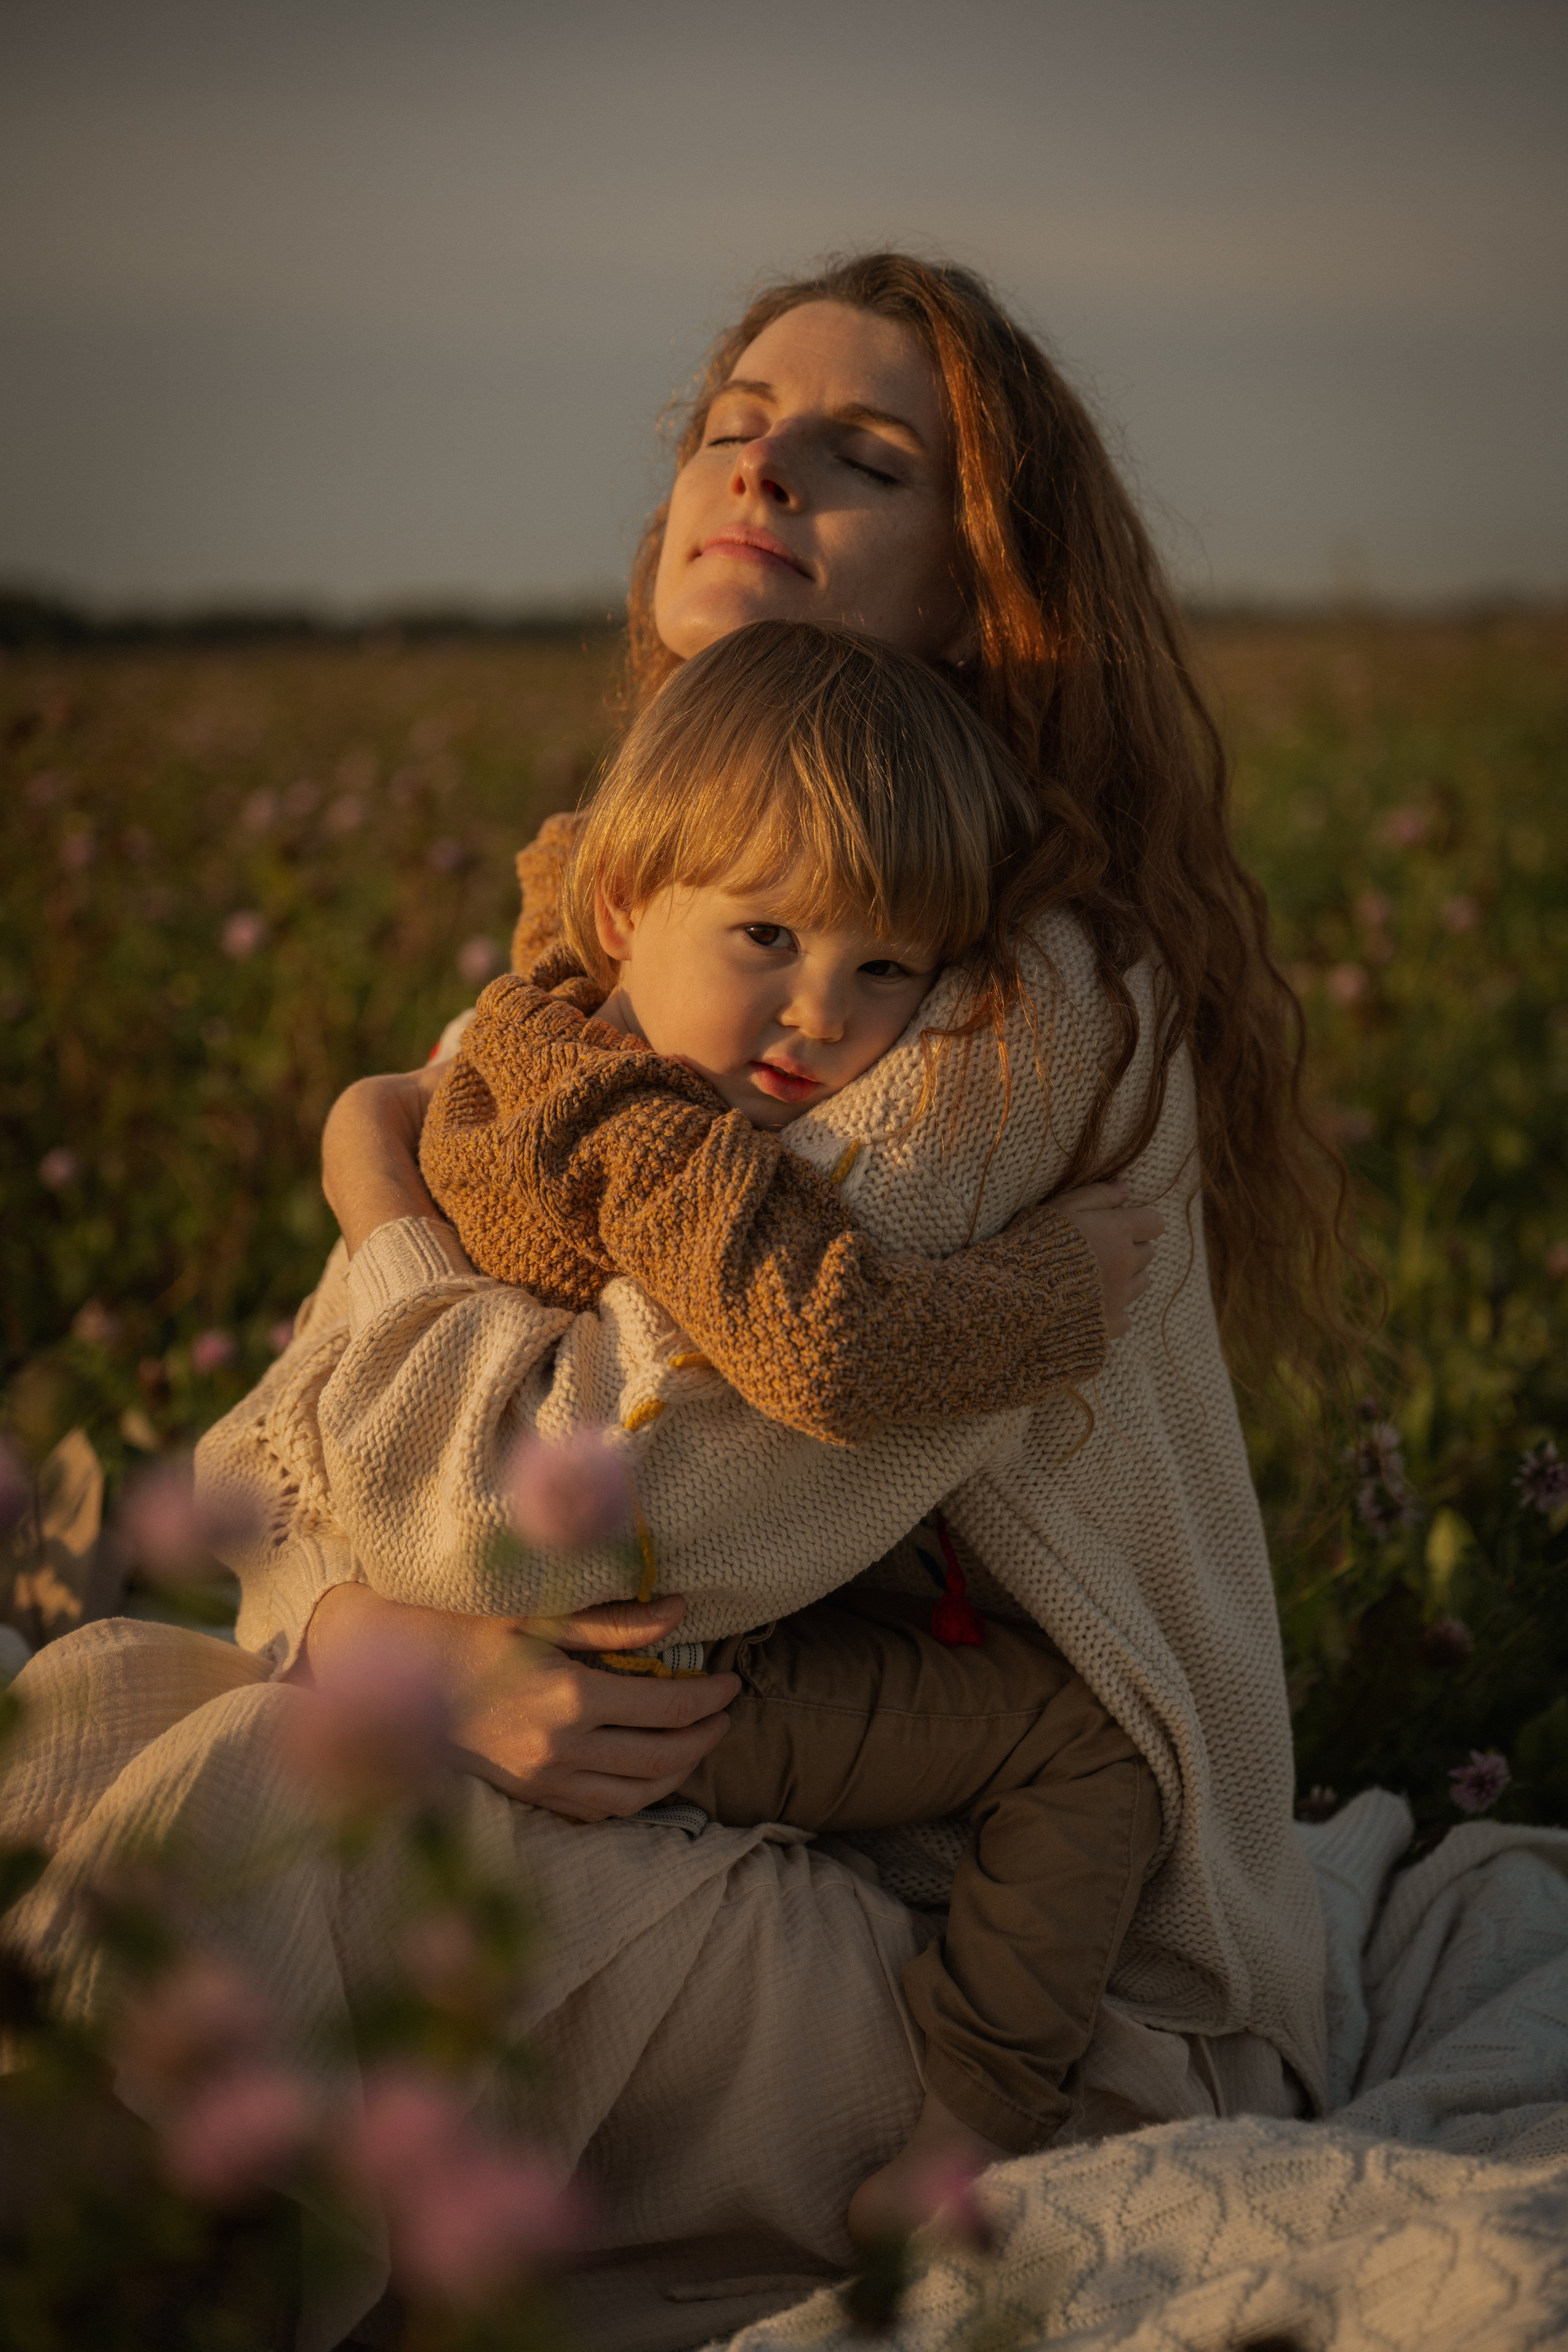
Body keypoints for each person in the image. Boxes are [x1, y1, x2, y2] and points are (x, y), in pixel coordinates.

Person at [6, 254, 1348, 2331]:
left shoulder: (991, 1005)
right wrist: (398, 1649)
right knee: (86, 1706)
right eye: (736, 419)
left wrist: (385, 1208)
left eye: (865, 455)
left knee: (245, 1822)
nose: (763, 466)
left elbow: (601, 1517)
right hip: (733, 1795)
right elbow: (280, 1479)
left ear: (990, 588)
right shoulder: (617, 944)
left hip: (1006, 1954)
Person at [418, 617, 1167, 2231]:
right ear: (627, 912)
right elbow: (825, 1351)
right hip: (663, 1662)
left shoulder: (529, 1032)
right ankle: (969, 2127)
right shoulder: (662, 1141)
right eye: (767, 934)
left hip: (579, 1610)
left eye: (885, 968)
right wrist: (1059, 1290)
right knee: (1090, 1738)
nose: (819, 1016)